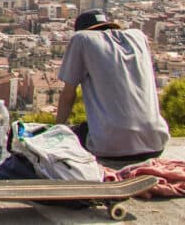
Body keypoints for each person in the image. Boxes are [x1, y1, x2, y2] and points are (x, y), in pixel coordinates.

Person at [57, 9, 169, 160]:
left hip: (110, 147)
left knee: (68, 137)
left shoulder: (82, 39)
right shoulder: (138, 37)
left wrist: (56, 128)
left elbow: (68, 95)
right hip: (156, 143)